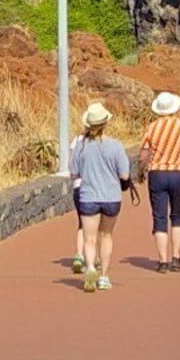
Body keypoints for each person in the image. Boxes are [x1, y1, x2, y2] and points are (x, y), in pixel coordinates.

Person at [66, 102, 134, 292]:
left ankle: (89, 268)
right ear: (106, 123)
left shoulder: (81, 146)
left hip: (88, 197)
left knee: (89, 238)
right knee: (106, 236)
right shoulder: (116, 146)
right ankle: (103, 276)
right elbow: (125, 175)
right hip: (111, 197)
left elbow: (73, 173)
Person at [138, 90, 180, 273]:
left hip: (157, 173)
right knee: (177, 214)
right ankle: (175, 256)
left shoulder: (152, 127)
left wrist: (140, 170)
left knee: (159, 216)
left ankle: (163, 261)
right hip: (178, 173)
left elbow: (144, 153)